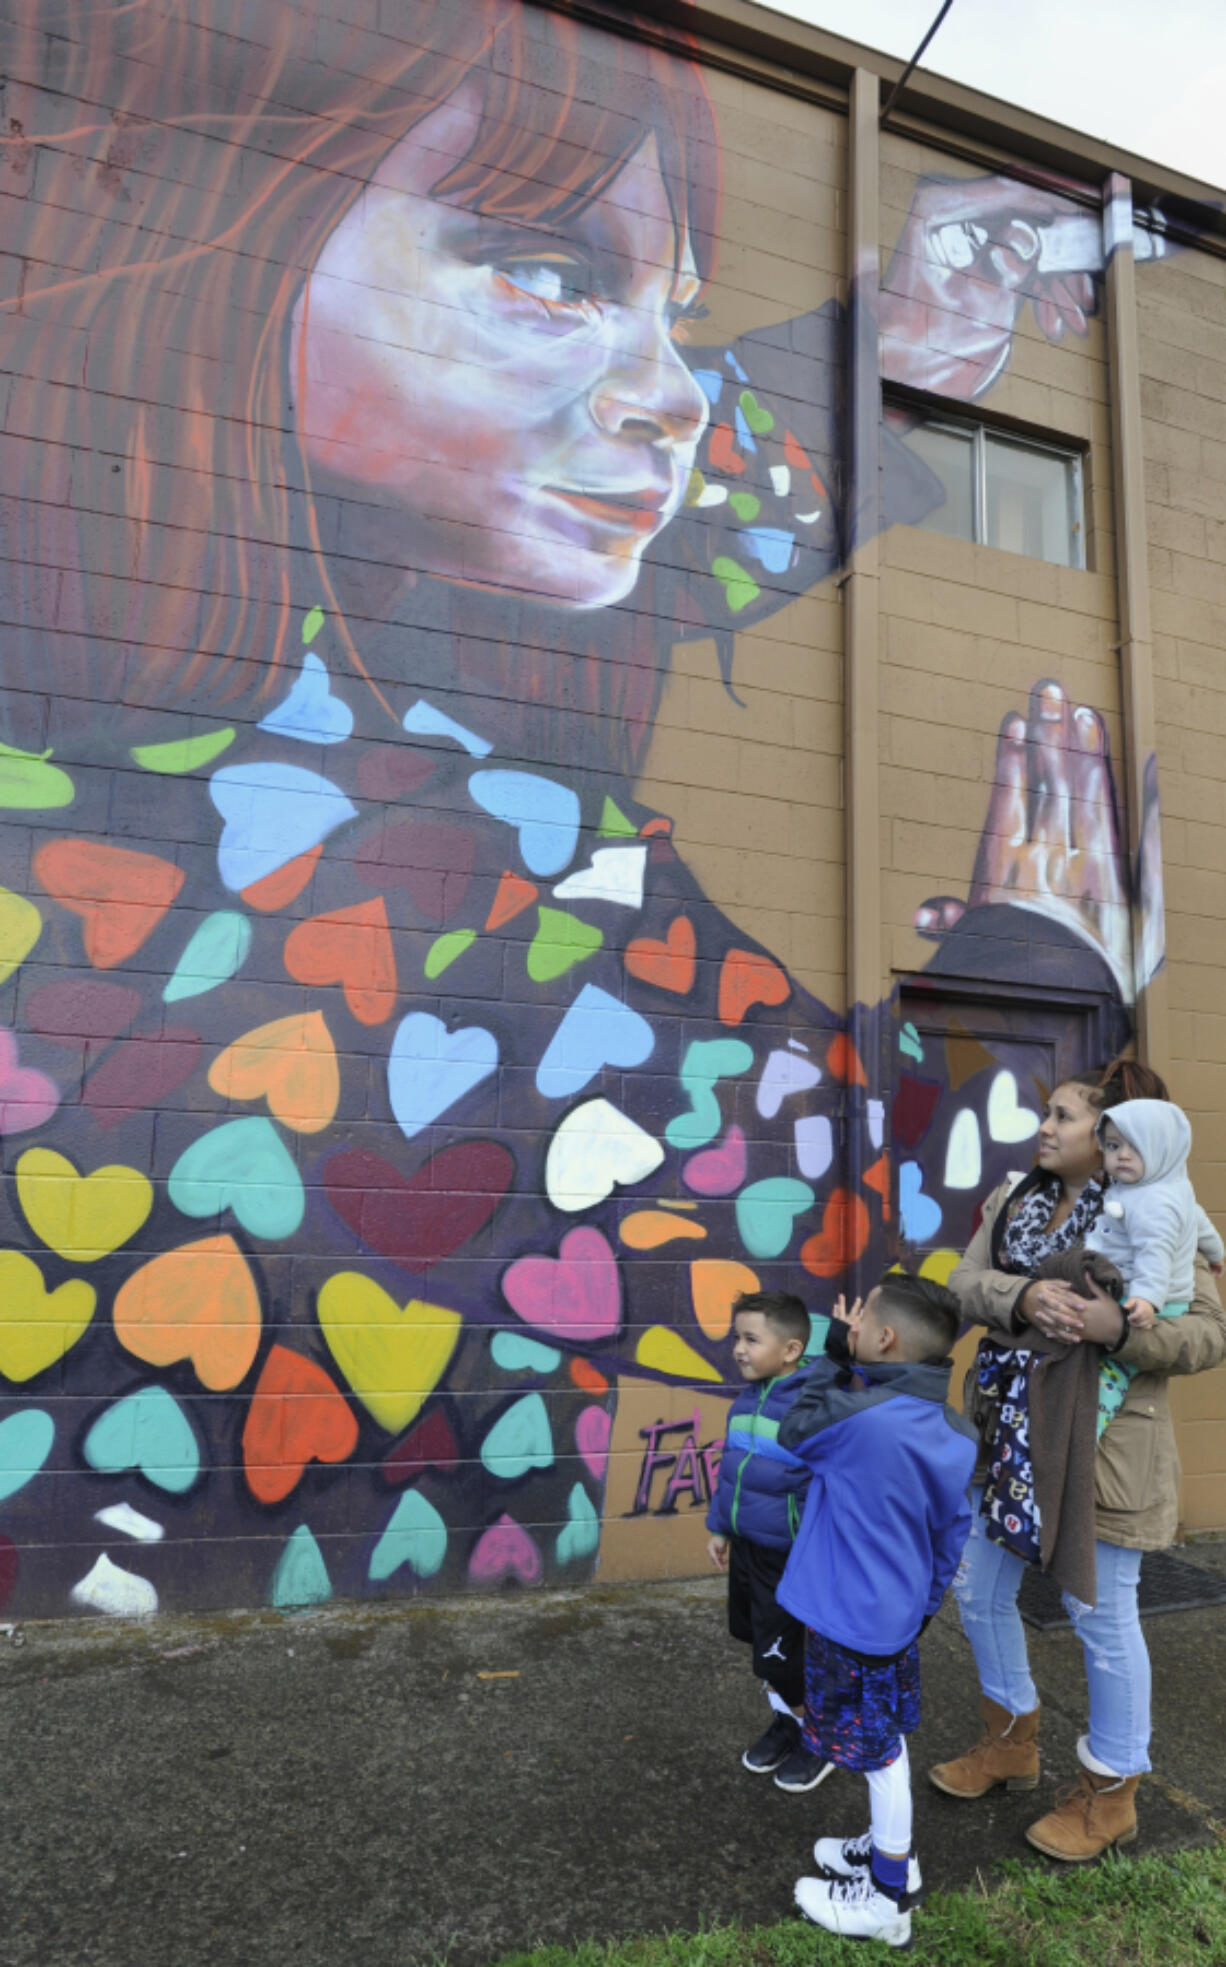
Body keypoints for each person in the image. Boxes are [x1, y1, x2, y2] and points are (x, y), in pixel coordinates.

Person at [0, 0, 1140, 1615]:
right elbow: (848, 1217)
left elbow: (601, 493)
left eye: (671, 308)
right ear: (237, 239)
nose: (671, 400)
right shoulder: (461, 870)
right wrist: (1034, 971)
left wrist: (891, 343)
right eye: (546, 271)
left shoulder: (218, 661)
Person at [933, 1060, 1226, 1862]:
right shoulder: (1013, 1200)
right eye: (1048, 1112)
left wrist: (1117, 1329)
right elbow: (961, 1283)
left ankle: (1111, 1793)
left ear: (1112, 1140)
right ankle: (1010, 1739)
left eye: (1067, 1117)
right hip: (1008, 1433)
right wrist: (1021, 1298)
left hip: (1106, 1442)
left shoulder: (1156, 1205)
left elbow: (1208, 1331)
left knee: (1103, 1614)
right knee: (979, 1586)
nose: (1047, 1127)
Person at [779, 1275, 977, 1951]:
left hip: (846, 1621)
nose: (851, 1324)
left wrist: (832, 1355)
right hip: (895, 1619)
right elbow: (951, 1535)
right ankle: (887, 1848)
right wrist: (923, 1607)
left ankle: (887, 1899)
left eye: (859, 1319)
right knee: (882, 1734)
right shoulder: (955, 1433)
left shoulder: (855, 1418)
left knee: (880, 1752)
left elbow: (796, 1430)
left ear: (884, 1338)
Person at [705, 1290, 832, 1794]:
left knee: (787, 1653)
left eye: (751, 1339)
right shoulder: (745, 1399)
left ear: (791, 1349)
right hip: (749, 1549)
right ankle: (788, 1720)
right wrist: (720, 1527)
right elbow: (732, 1473)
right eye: (736, 1337)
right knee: (761, 1645)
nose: (738, 1348)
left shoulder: (810, 1407)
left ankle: (817, 1738)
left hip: (789, 1556)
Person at [1088, 1101, 1224, 1430]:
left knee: (1108, 1371)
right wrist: (1216, 1251)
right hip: (1157, 1297)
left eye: (1136, 1146)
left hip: (1147, 1300)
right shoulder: (1170, 1187)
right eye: (1113, 1145)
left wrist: (1148, 1299)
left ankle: (1086, 1428)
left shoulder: (1153, 1203)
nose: (1122, 1155)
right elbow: (1198, 1220)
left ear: (1161, 1149)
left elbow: (1155, 1253)